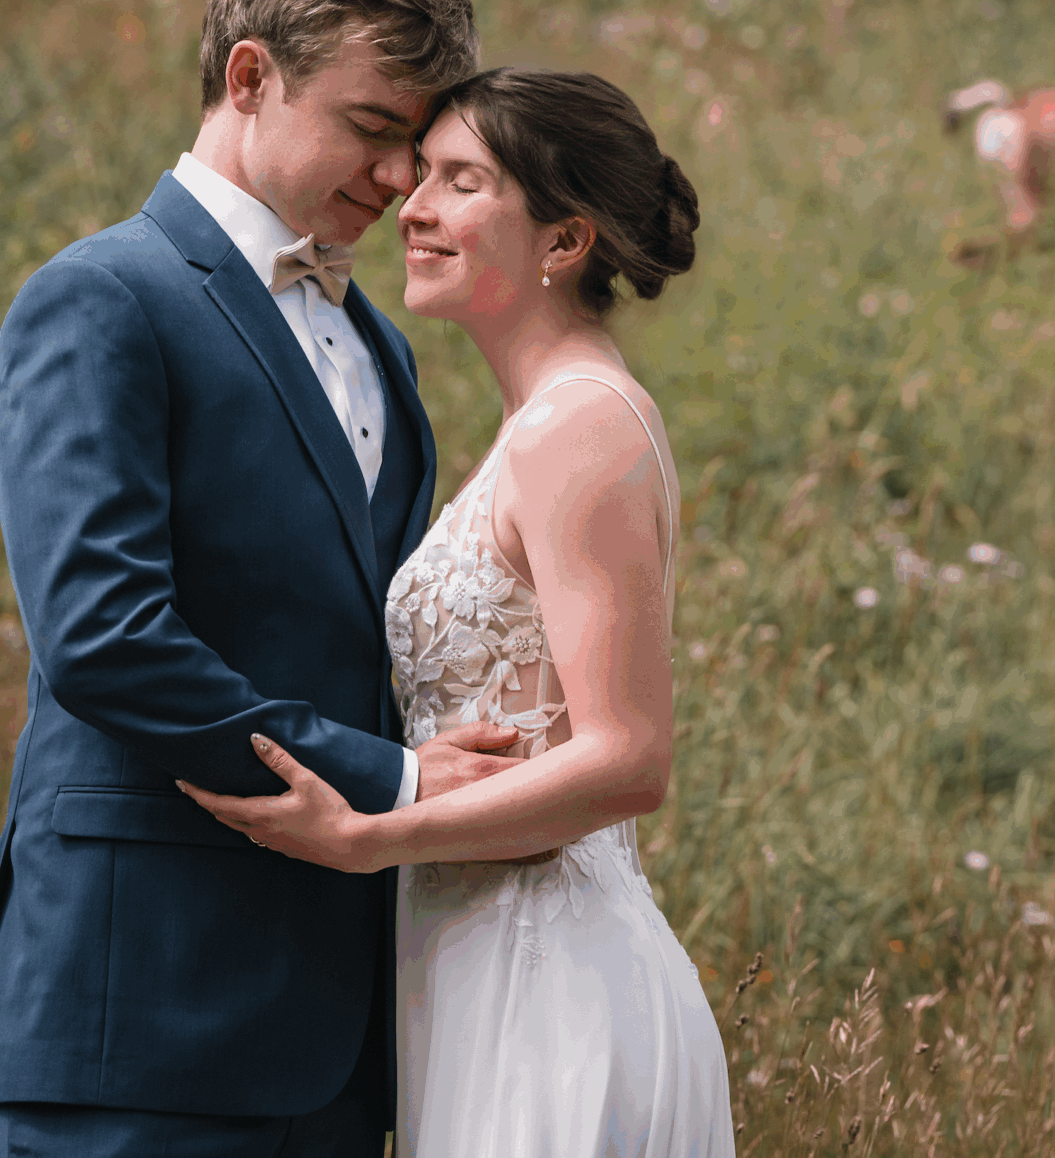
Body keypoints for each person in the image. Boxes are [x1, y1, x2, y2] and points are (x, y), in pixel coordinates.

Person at [0, 0, 531, 1158]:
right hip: (141, 1004)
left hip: (339, 1036)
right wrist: (397, 781)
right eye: (372, 126)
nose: (399, 177)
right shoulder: (100, 298)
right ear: (251, 76)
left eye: (417, 140)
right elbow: (102, 638)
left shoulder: (381, 343)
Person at [181, 66, 735, 1157]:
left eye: (460, 181)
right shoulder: (534, 422)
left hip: (557, 991)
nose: (412, 204)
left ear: (564, 240)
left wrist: (369, 838)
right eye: (421, 172)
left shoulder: (580, 427)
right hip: (472, 972)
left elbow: (629, 758)